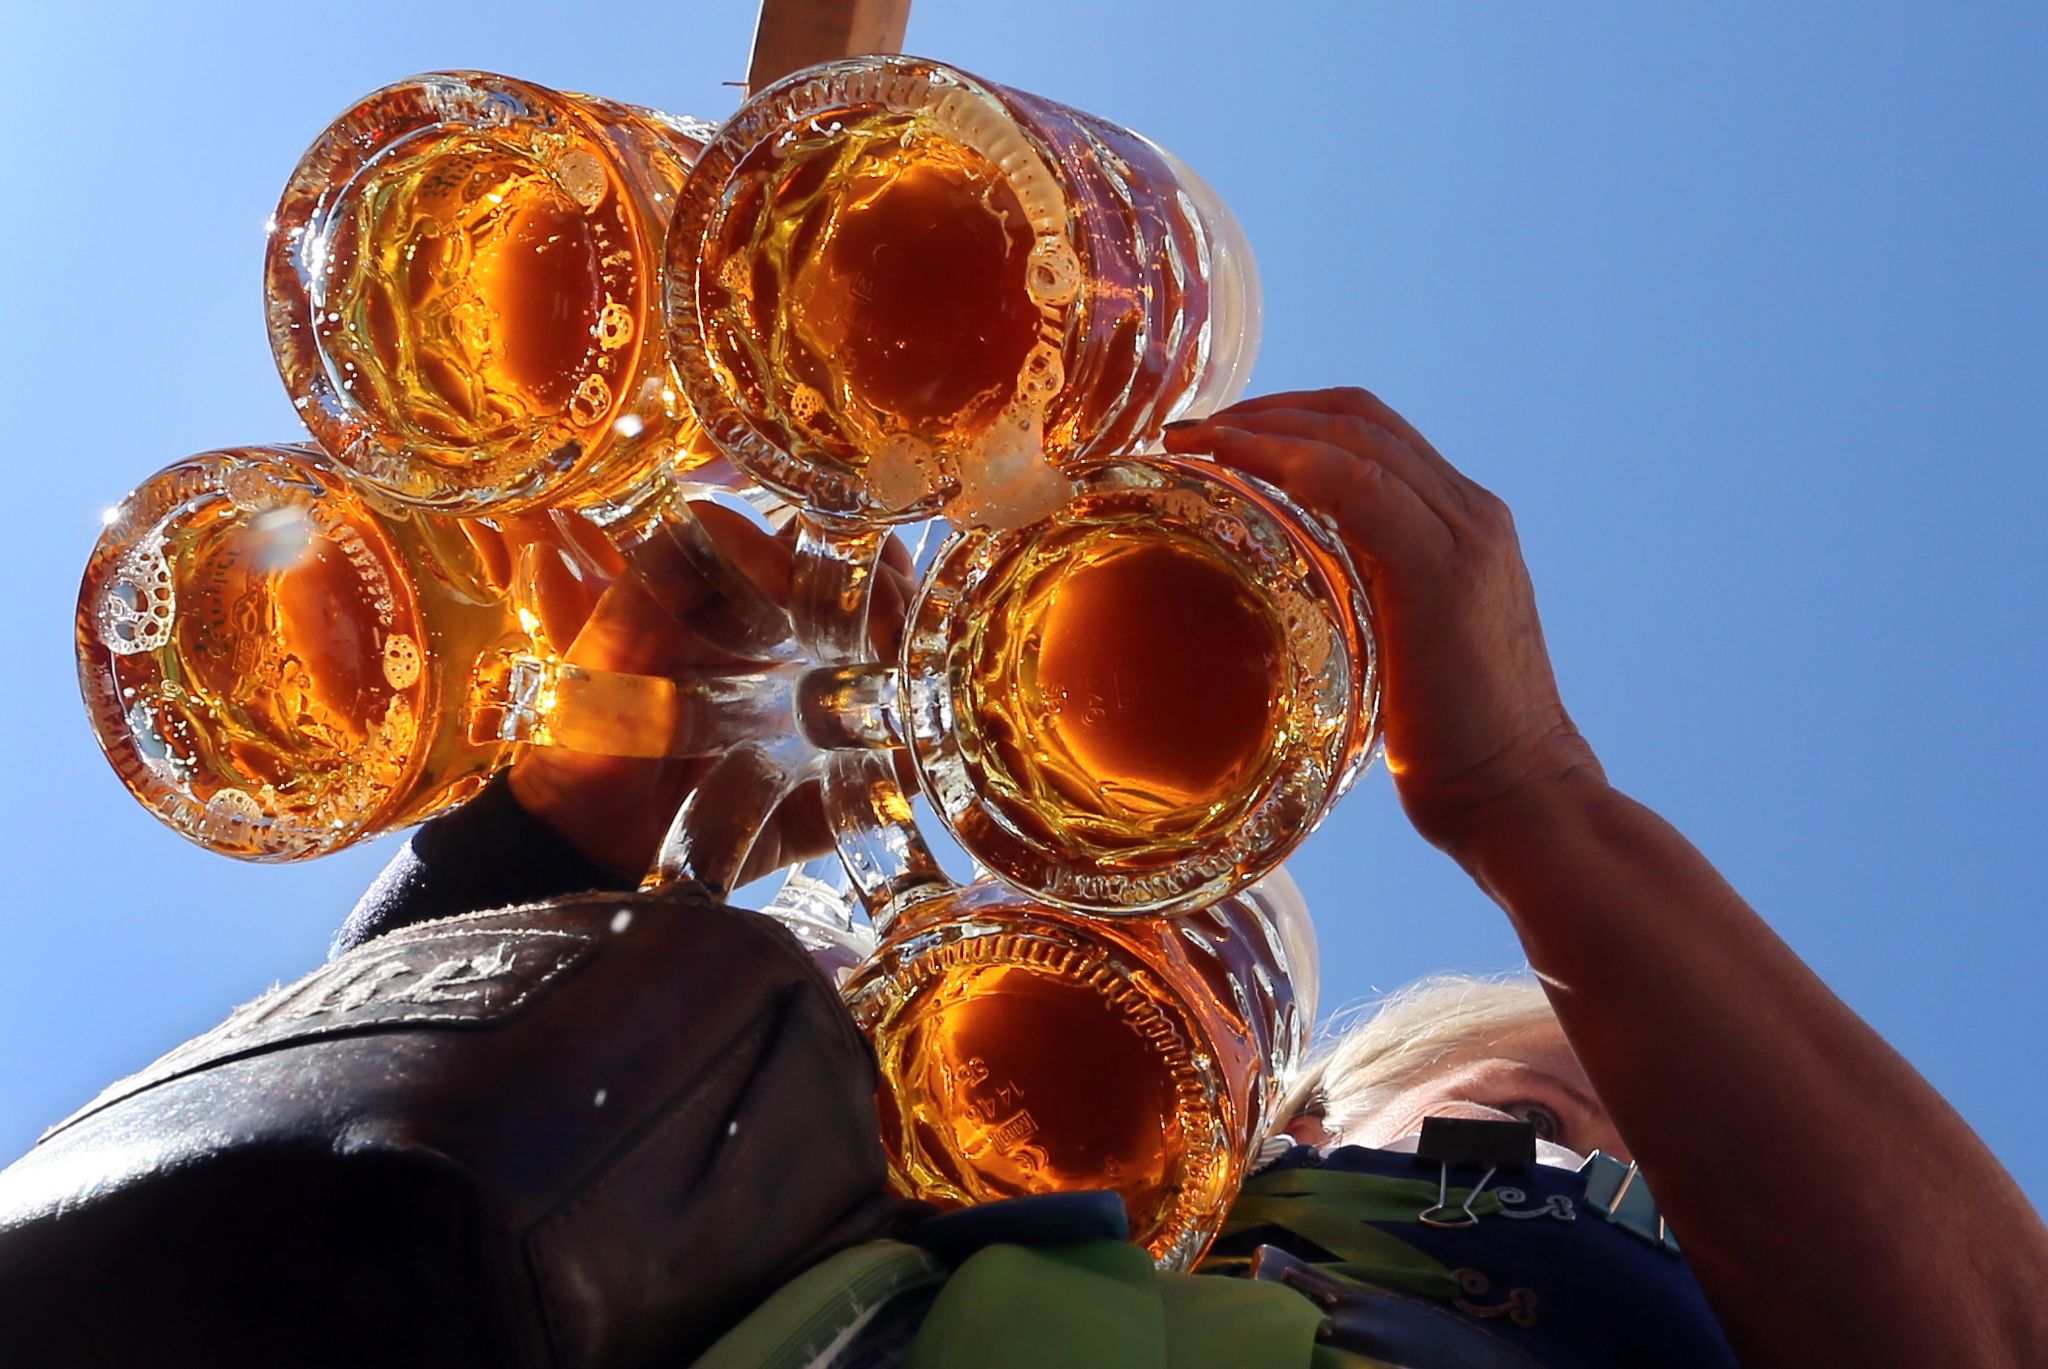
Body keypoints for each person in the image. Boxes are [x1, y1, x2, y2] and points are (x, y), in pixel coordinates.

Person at [4, 388, 2043, 1368]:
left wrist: (1525, 792)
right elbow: (365, 1211)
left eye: (1616, 1170)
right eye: (1535, 1109)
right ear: (1289, 1120)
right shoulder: (1016, 1215)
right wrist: (581, 800)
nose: (1630, 1158)